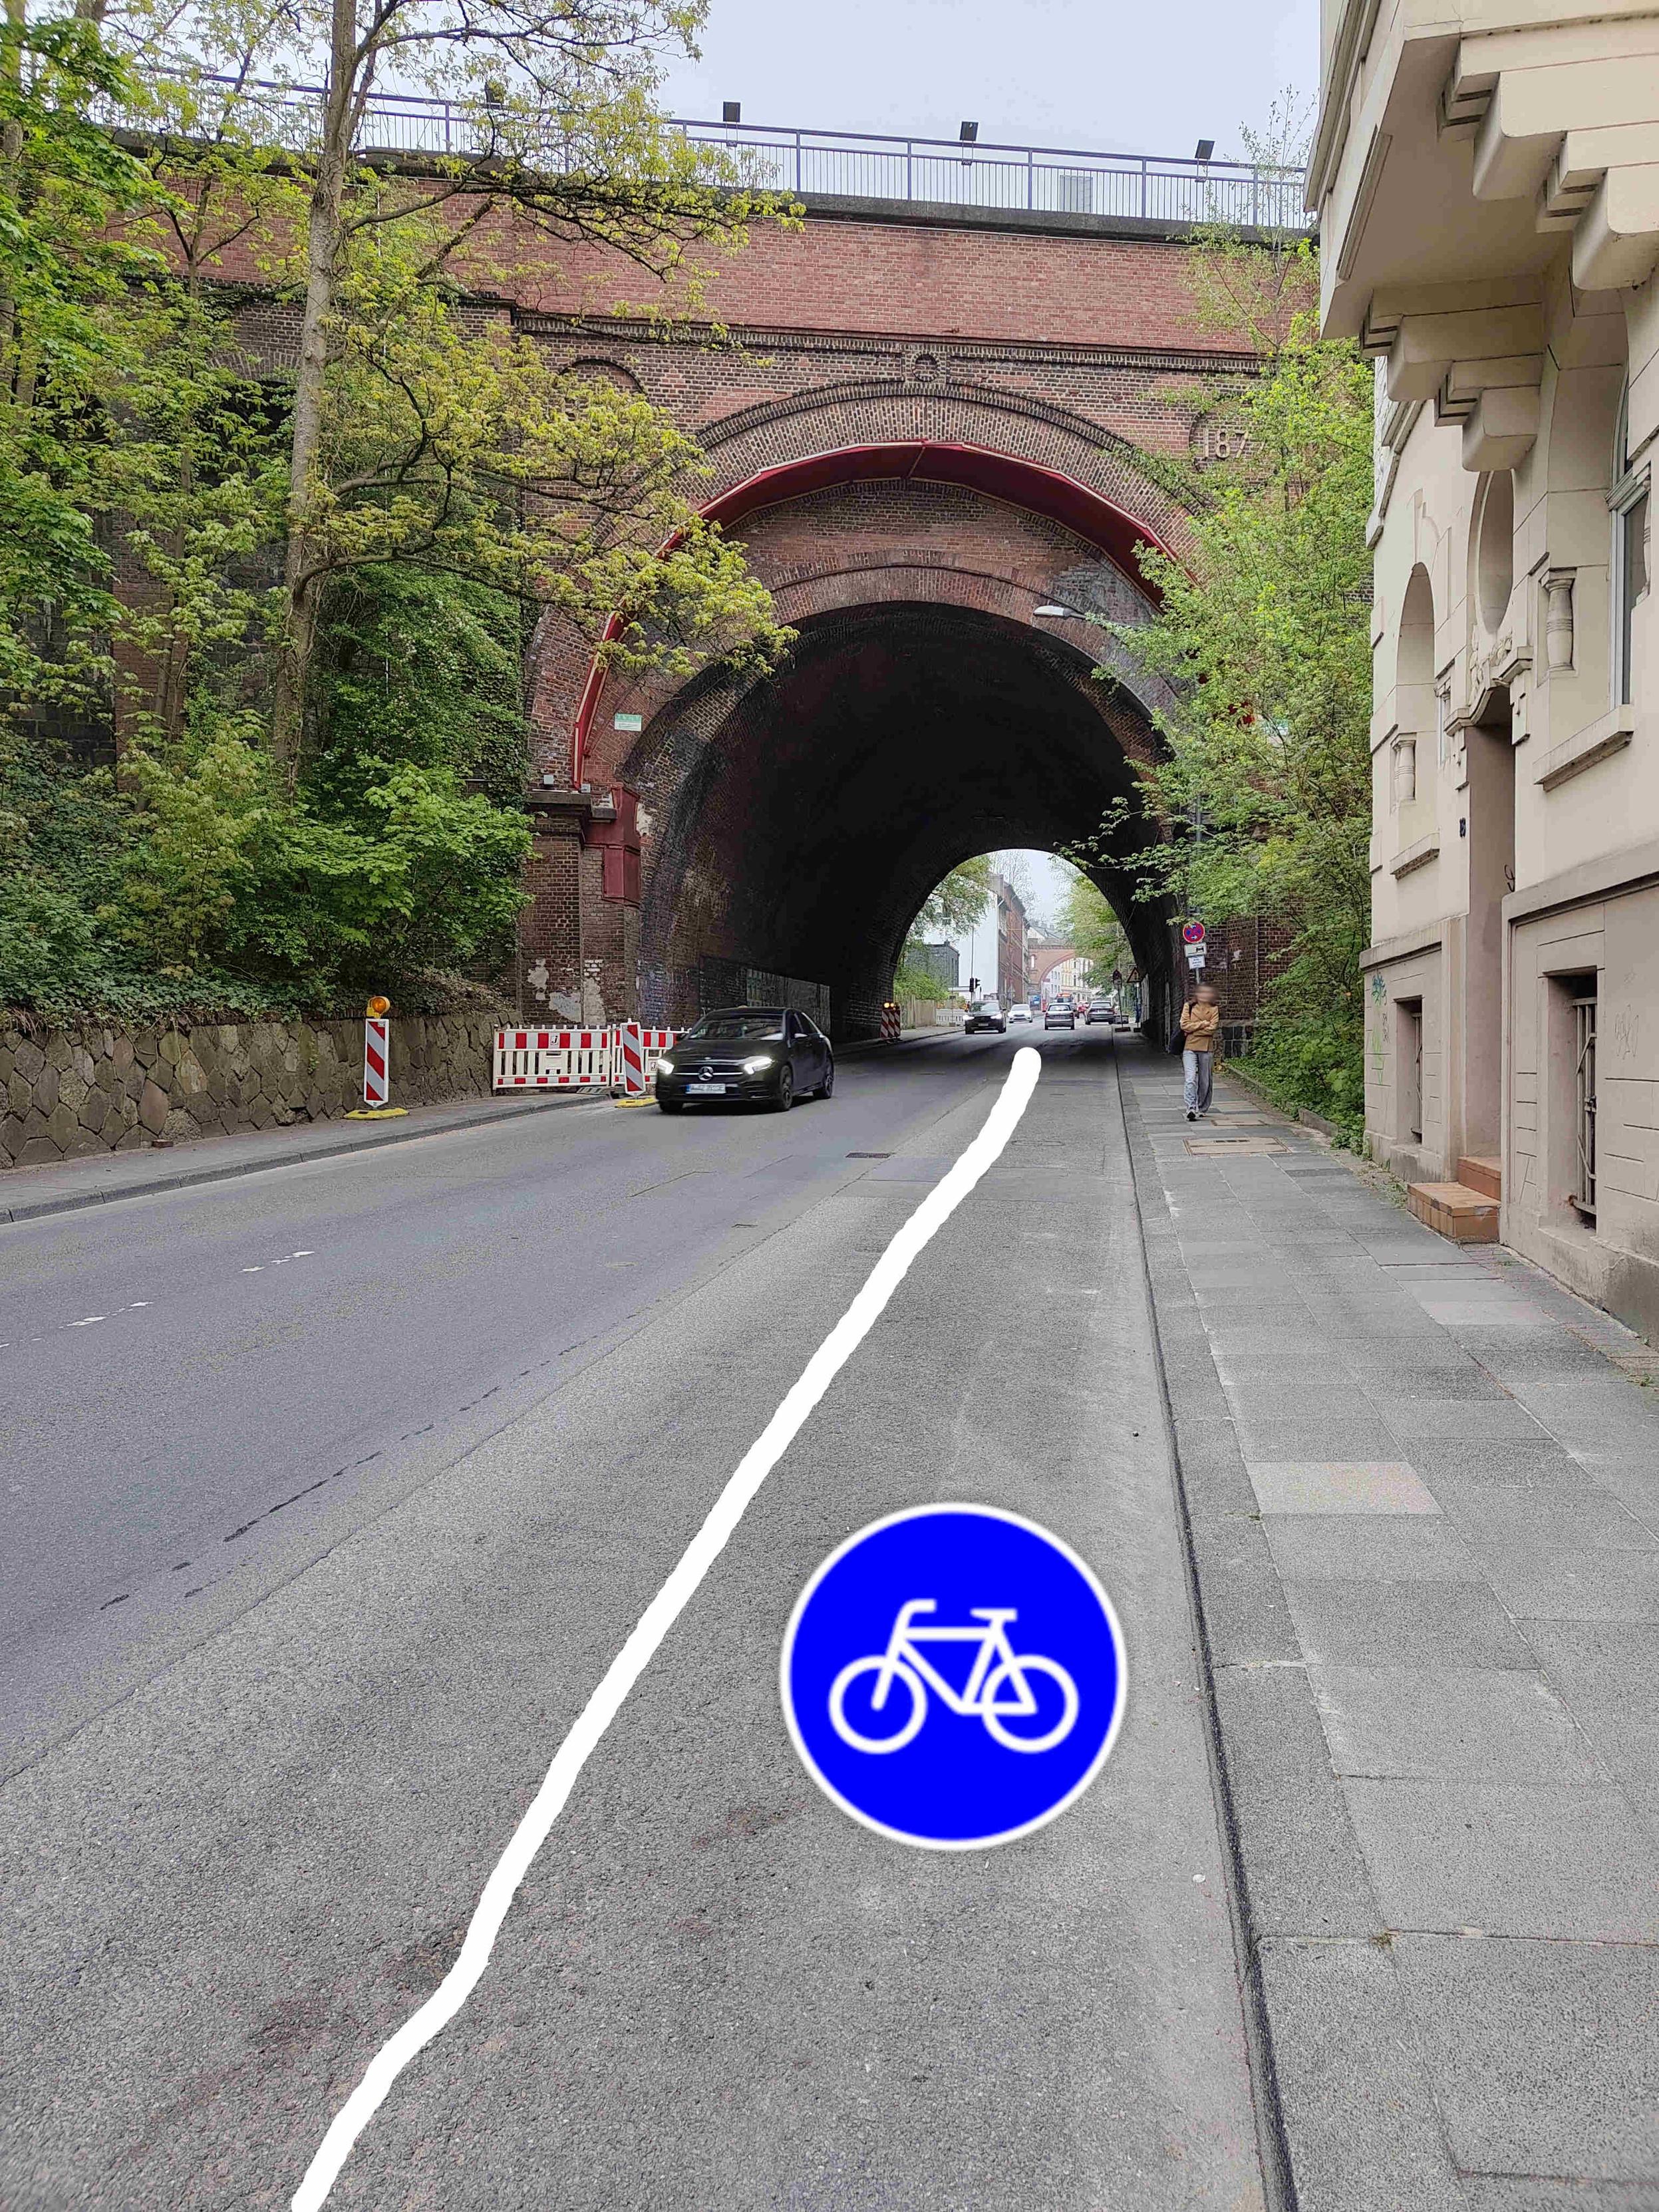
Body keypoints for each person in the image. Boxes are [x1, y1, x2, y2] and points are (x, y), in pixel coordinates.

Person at [1179, 983, 1221, 1120]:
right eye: (1201, 992)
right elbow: (1184, 1025)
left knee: (1205, 1080)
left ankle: (1202, 1108)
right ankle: (1191, 1108)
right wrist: (1203, 1024)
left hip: (1206, 1049)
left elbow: (1212, 1029)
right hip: (1189, 1048)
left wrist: (1193, 1030)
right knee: (1190, 1078)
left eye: (1207, 993)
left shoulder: (1214, 1009)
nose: (1204, 995)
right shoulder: (1189, 1007)